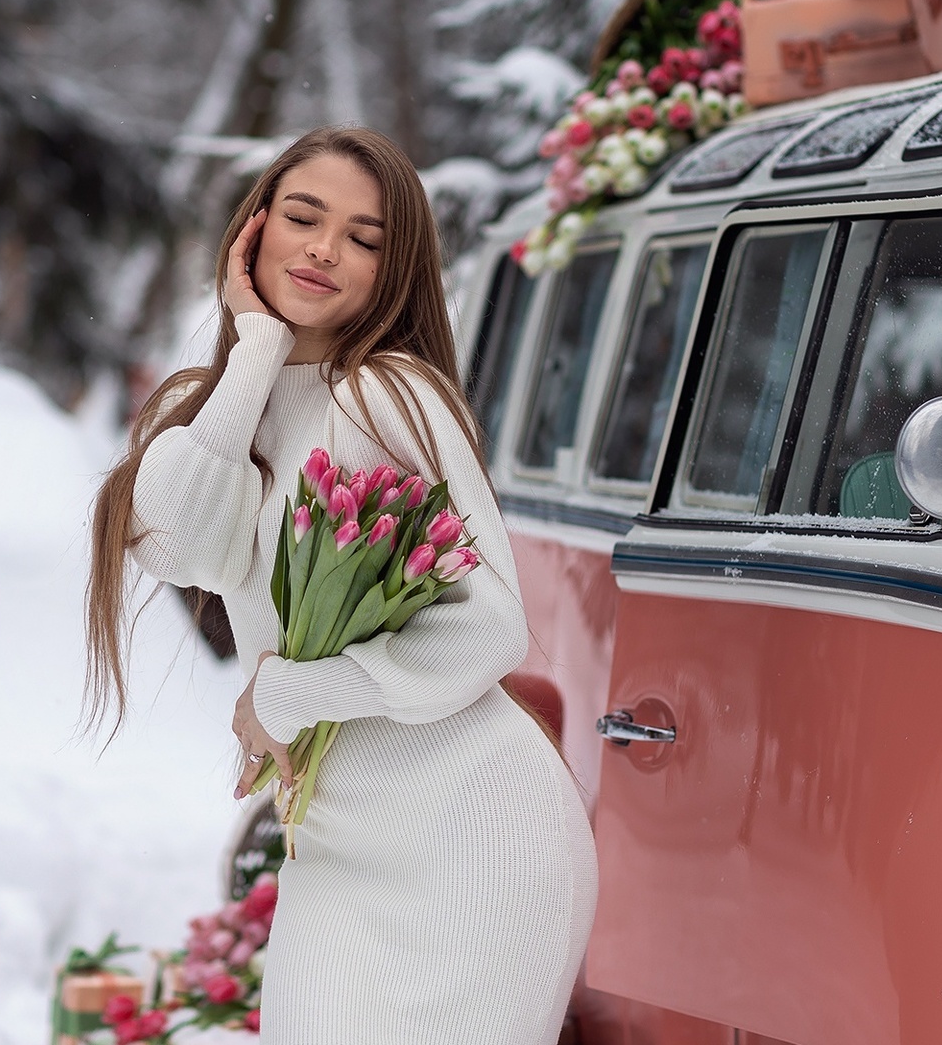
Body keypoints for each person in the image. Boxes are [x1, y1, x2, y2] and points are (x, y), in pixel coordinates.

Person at [85, 126, 597, 1044]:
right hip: (335, 846)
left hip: (473, 834)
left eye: (365, 238)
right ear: (254, 231)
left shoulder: (390, 395)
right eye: (303, 217)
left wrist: (288, 690)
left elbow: (489, 632)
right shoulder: (198, 411)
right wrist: (253, 354)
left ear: (392, 274)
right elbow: (182, 546)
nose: (325, 248)